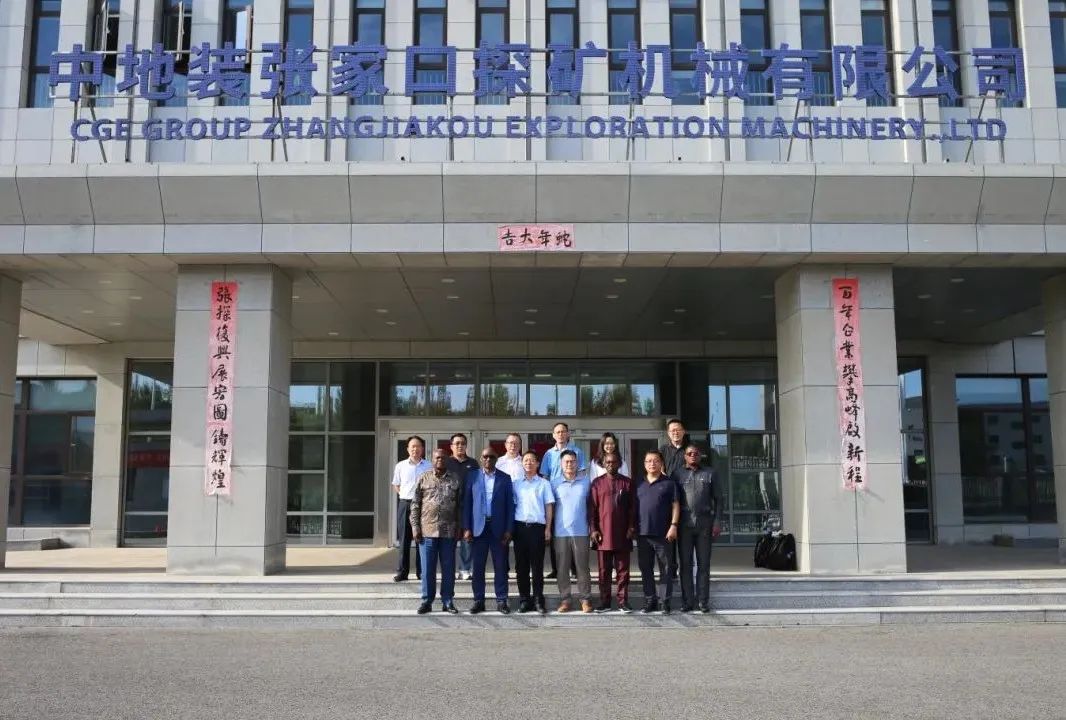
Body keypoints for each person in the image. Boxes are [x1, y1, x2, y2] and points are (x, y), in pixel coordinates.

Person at [463, 446, 515, 614]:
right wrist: (467, 528)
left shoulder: (505, 478)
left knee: (501, 567)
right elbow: (467, 504)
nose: (488, 459)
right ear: (481, 458)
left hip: (498, 530)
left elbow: (510, 506)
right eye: (485, 457)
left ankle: (501, 600)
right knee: (478, 568)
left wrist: (509, 529)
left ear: (496, 459)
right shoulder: (472, 476)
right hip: (478, 529)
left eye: (491, 457)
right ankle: (479, 600)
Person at [411, 449, 463, 615]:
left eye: (443, 457)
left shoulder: (455, 479)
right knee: (427, 569)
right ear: (432, 460)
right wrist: (415, 527)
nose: (440, 460)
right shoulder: (423, 478)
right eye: (437, 458)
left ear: (447, 460)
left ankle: (447, 601)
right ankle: (427, 601)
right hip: (427, 532)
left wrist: (460, 528)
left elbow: (460, 507)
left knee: (448, 569)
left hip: (449, 532)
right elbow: (415, 505)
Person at [676, 444, 723, 613]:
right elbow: (673, 501)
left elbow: (719, 500)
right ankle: (687, 602)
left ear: (700, 455)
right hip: (684, 525)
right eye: (689, 453)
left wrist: (717, 522)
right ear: (685, 456)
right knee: (685, 565)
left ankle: (703, 601)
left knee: (704, 565)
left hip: (705, 524)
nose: (693, 456)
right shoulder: (677, 474)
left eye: (696, 453)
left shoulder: (710, 473)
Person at [589, 450, 636, 613]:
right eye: (607, 462)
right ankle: (605, 602)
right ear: (603, 464)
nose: (610, 465)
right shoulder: (597, 483)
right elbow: (592, 509)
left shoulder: (628, 483)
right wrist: (593, 529)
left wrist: (631, 527)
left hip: (623, 534)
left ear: (619, 464)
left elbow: (633, 508)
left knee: (623, 571)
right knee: (604, 571)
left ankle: (623, 602)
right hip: (603, 535)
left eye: (614, 462)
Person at [635, 450, 680, 614]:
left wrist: (674, 525)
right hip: (643, 534)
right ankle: (650, 600)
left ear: (661, 463)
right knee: (646, 569)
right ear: (644, 464)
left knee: (666, 569)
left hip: (664, 534)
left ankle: (665, 602)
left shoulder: (669, 483)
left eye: (655, 460)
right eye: (648, 461)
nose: (652, 464)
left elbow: (676, 505)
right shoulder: (638, 483)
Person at [540, 422, 584, 579]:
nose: (560, 434)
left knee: (572, 533)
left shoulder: (577, 451)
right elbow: (545, 476)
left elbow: (582, 473)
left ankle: (574, 568)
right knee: (555, 534)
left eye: (563, 431)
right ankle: (556, 568)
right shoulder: (548, 454)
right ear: (553, 435)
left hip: (571, 495)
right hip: (554, 498)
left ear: (568, 434)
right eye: (557, 432)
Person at [512, 450, 554, 614]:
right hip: (520, 528)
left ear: (537, 464)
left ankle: (538, 600)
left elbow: (548, 507)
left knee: (537, 566)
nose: (528, 463)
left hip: (537, 528)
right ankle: (524, 600)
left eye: (532, 460)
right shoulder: (516, 483)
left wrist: (548, 528)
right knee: (521, 567)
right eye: (526, 460)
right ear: (522, 464)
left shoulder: (544, 484)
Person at [551, 450, 593, 613]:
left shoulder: (586, 482)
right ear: (561, 464)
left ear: (577, 463)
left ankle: (585, 599)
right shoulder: (554, 483)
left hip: (581, 531)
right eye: (566, 462)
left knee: (582, 567)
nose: (570, 464)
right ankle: (565, 599)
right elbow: (550, 508)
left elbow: (592, 506)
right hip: (560, 532)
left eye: (572, 461)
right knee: (562, 568)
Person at [392, 435, 431, 582]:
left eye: (418, 446)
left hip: (424, 505)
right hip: (405, 504)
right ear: (408, 449)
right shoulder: (400, 466)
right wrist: (405, 495)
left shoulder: (429, 466)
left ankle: (422, 571)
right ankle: (403, 572)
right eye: (412, 446)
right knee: (404, 540)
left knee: (422, 538)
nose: (415, 449)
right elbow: (396, 484)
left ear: (422, 449)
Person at [659, 418, 691, 579]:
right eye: (672, 430)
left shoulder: (690, 450)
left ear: (683, 431)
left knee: (684, 539)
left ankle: (685, 572)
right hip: (668, 500)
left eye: (678, 429)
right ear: (668, 433)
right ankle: (670, 572)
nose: (675, 433)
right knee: (669, 538)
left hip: (686, 499)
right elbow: (659, 470)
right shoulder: (663, 450)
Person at [446, 433, 478, 580]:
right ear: (451, 446)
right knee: (449, 541)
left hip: (468, 507)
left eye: (463, 443)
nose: (460, 446)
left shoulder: (473, 463)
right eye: (457, 443)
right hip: (449, 508)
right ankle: (449, 570)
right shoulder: (446, 462)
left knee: (467, 539)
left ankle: (465, 569)